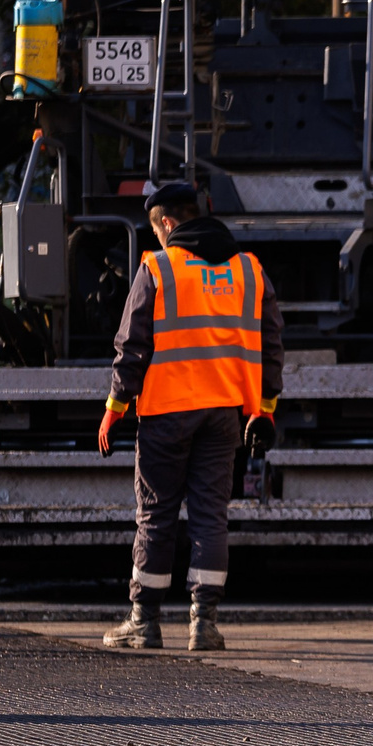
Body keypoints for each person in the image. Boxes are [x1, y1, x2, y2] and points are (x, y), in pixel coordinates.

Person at [97, 181, 283, 653]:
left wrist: (114, 408)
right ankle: (204, 625)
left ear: (167, 223)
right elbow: (272, 346)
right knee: (210, 516)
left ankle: (144, 622)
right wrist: (264, 411)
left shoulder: (158, 267)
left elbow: (131, 347)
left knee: (156, 516)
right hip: (224, 415)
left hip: (167, 413)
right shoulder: (249, 270)